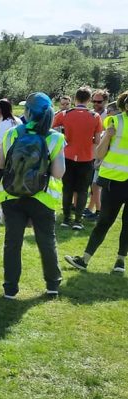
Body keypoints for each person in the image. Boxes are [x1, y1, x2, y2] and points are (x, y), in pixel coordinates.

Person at [0, 93, 65, 298]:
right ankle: (52, 285)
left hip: (12, 195)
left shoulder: (12, 134)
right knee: (47, 241)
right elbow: (59, 173)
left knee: (12, 243)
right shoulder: (55, 137)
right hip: (42, 197)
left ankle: (10, 289)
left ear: (27, 112)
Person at [65, 89, 128, 275]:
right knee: (104, 221)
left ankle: (120, 262)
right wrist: (108, 136)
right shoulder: (114, 121)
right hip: (113, 181)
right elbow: (99, 154)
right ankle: (84, 260)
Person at [52, 86, 103, 230]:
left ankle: (66, 218)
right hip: (86, 157)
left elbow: (50, 126)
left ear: (75, 98)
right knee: (82, 190)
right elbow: (98, 140)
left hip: (67, 156)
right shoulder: (95, 116)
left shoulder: (65, 114)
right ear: (89, 100)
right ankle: (78, 221)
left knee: (67, 188)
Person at [84, 89, 111, 221]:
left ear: (105, 101)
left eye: (99, 101)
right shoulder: (92, 114)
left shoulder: (108, 116)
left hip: (103, 154)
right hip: (92, 153)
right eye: (93, 101)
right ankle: (90, 208)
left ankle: (94, 210)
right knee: (93, 184)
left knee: (96, 184)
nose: (95, 103)